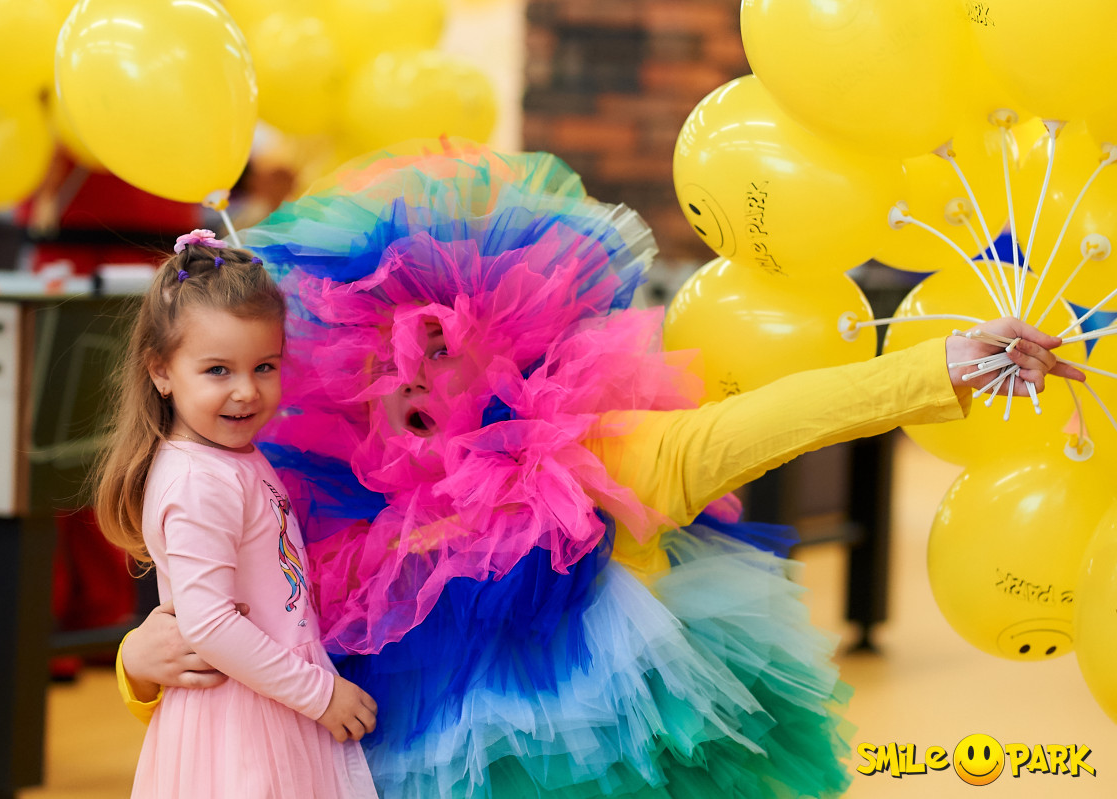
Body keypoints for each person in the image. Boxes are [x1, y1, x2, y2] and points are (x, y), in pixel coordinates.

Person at [116, 142, 1082, 799]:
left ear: (502, 349)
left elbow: (766, 423)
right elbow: (230, 620)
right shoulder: (323, 492)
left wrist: (942, 368)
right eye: (382, 354)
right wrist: (135, 667)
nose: (406, 375)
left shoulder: (593, 456)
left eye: (437, 347)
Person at [92, 230, 379, 799]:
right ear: (161, 372)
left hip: (269, 697)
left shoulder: (229, 458)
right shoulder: (198, 480)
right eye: (218, 370)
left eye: (264, 366)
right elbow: (210, 626)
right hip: (243, 719)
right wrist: (321, 696)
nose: (246, 391)